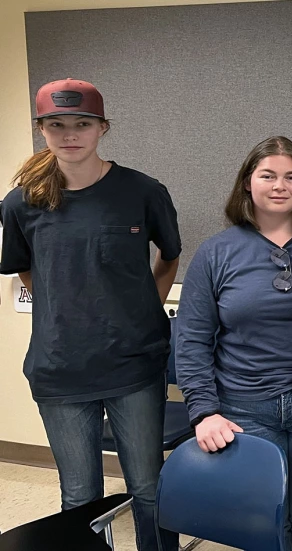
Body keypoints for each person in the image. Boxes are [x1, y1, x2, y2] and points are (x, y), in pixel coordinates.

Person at [0, 78, 181, 551]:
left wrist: (143, 306)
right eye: (56, 125)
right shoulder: (21, 203)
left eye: (81, 124)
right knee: (79, 496)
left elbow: (169, 255)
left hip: (135, 365)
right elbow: (26, 272)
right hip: (60, 370)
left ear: (102, 127)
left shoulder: (142, 190)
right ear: (42, 130)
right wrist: (68, 307)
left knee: (148, 488)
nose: (69, 135)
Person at [176, 136, 292, 550]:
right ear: (247, 183)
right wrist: (203, 412)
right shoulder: (216, 253)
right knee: (265, 515)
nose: (279, 185)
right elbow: (192, 340)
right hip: (244, 409)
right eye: (267, 175)